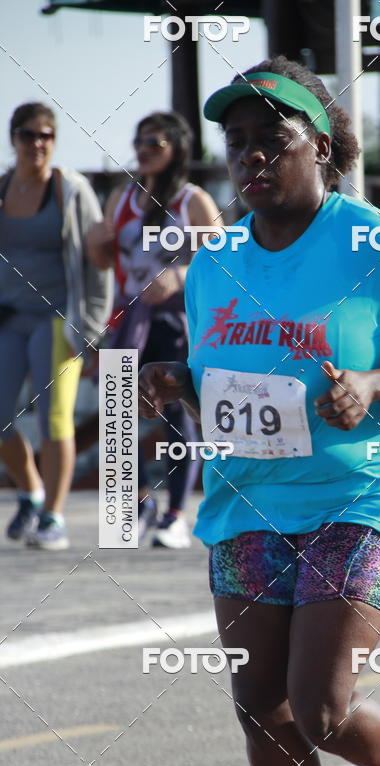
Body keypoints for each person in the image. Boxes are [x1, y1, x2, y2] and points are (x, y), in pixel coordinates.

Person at [138, 57, 380, 766]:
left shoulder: (379, 245)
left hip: (363, 491)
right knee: (260, 706)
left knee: (318, 706)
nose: (249, 157)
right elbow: (232, 382)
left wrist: (376, 384)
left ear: (320, 145)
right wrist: (179, 384)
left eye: (271, 139)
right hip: (249, 500)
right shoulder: (214, 262)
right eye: (235, 142)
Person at [87, 111, 222, 548]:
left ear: (177, 150)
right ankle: (135, 503)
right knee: (117, 409)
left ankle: (177, 514)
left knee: (179, 409)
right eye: (140, 141)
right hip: (130, 318)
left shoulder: (191, 200)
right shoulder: (123, 198)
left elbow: (221, 259)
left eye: (155, 143)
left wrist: (179, 276)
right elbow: (106, 263)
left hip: (177, 317)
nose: (143, 149)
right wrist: (96, 244)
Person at [0, 102, 111, 550]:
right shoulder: (4, 188)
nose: (37, 143)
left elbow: (98, 260)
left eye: (46, 135)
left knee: (55, 417)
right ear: (14, 139)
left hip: (58, 317)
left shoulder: (71, 189)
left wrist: (91, 329)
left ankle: (53, 516)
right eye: (28, 135)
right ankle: (30, 491)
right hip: (10, 316)